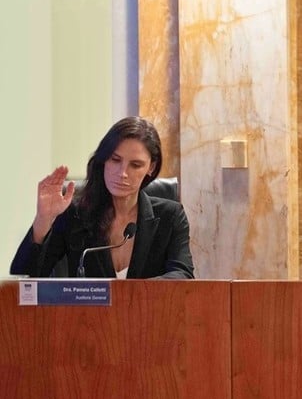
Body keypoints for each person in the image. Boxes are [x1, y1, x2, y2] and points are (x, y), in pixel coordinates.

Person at [10, 117, 195, 279]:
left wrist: (133, 295)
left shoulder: (170, 216)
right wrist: (43, 219)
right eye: (115, 160)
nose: (122, 173)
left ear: (151, 168)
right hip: (85, 319)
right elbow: (24, 276)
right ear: (104, 160)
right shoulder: (76, 214)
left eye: (135, 165)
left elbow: (182, 275)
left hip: (148, 317)